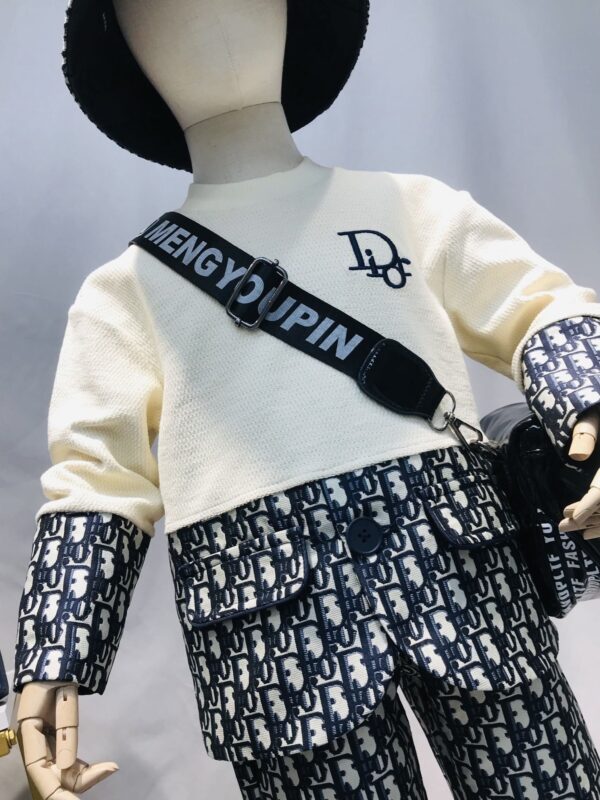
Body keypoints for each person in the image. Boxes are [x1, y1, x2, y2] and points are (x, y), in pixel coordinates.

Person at [12, 1, 600, 798]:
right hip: (272, 637)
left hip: (464, 577)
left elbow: (539, 308)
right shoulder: (124, 293)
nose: (207, 14)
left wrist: (586, 400)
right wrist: (54, 652)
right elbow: (96, 483)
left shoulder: (411, 206)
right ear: (126, 54)